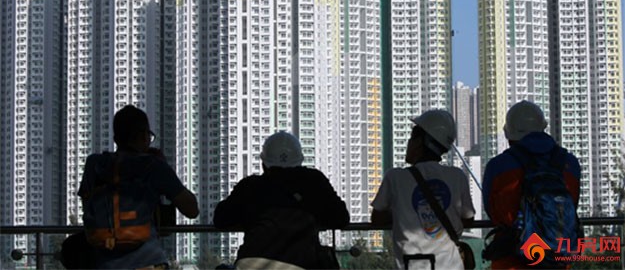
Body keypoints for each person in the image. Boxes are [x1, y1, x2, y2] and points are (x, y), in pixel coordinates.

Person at [78, 105, 199, 269]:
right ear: (143, 135)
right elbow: (191, 210)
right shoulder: (153, 166)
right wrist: (163, 168)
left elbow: (88, 207)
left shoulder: (94, 164)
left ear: (116, 139)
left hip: (104, 263)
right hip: (148, 261)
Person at [213, 131, 350, 269]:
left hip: (250, 263)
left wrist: (249, 217)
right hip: (299, 264)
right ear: (299, 162)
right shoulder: (314, 182)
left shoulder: (250, 186)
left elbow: (221, 219)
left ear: (264, 164)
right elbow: (341, 218)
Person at [482, 100, 581, 269]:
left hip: (511, 261)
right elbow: (571, 205)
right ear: (543, 128)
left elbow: (492, 212)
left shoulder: (497, 166)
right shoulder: (570, 164)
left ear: (509, 134)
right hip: (556, 259)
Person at [371, 109, 475, 270]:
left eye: (412, 138)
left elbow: (377, 218)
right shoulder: (457, 176)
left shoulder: (395, 178)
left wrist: (402, 213)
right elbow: (468, 218)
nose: (409, 143)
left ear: (421, 142)